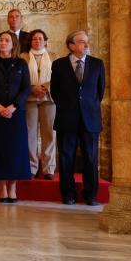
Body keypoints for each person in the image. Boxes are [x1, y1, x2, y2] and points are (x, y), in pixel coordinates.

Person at [51, 31, 105, 206]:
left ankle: (90, 194)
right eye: (82, 42)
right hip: (67, 118)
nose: (86, 45)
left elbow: (100, 92)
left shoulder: (97, 64)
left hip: (90, 119)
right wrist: (70, 107)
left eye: (87, 42)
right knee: (67, 158)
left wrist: (86, 107)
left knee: (90, 158)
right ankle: (68, 194)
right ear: (71, 45)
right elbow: (55, 92)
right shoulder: (59, 65)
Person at [0, 32, 31, 203]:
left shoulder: (21, 63)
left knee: (15, 150)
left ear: (13, 44)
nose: (3, 43)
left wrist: (13, 106)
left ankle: (13, 187)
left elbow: (25, 89)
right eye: (1, 40)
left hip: (15, 113)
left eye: (6, 40)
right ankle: (2, 186)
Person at [21, 29, 57, 180]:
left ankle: (49, 169)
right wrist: (32, 88)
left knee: (49, 133)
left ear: (45, 41)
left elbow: (58, 76)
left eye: (40, 38)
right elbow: (20, 77)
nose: (37, 41)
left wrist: (45, 87)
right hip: (30, 99)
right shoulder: (22, 57)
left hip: (49, 98)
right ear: (30, 41)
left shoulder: (54, 56)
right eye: (34, 39)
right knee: (30, 135)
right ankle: (31, 167)